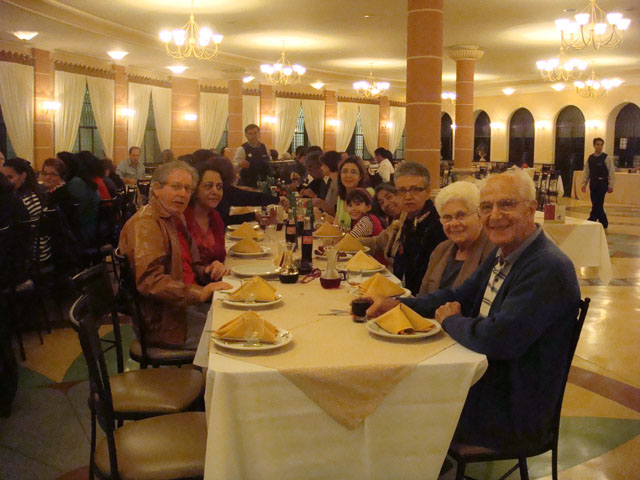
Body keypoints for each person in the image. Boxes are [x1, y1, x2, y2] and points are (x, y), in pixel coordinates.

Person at [367, 168, 581, 450]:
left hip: (512, 409)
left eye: (507, 204)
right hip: (488, 382)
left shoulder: (546, 267)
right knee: (391, 385)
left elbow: (498, 338)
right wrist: (399, 305)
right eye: (486, 207)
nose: (494, 215)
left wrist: (451, 321)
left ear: (531, 209)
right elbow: (458, 295)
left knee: (396, 401)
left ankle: (418, 464)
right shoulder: (504, 252)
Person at [118, 160, 231, 349]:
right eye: (176, 187)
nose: (183, 194)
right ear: (156, 189)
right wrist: (200, 292)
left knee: (240, 314)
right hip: (167, 323)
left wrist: (207, 271)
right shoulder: (146, 224)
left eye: (187, 189)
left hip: (183, 308)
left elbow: (191, 266)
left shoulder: (174, 217)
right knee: (233, 337)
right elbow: (151, 281)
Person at [359, 162, 446, 295]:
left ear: (427, 192)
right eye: (402, 190)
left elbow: (430, 281)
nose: (408, 196)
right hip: (399, 291)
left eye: (415, 189)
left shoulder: (437, 226)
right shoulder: (406, 218)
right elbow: (379, 242)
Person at [419, 181, 494, 294]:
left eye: (461, 215)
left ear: (479, 215)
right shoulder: (441, 250)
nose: (454, 223)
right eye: (447, 217)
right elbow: (423, 293)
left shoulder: (492, 251)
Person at [1, 158, 52, 265]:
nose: (6, 182)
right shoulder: (36, 192)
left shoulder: (21, 201)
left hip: (29, 257)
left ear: (23, 176)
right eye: (3, 178)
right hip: (40, 250)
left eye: (10, 177)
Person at [184, 160, 227, 277]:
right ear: (195, 189)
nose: (215, 191)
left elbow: (220, 258)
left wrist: (217, 267)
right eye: (208, 186)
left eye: (219, 187)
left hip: (213, 279)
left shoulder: (216, 217)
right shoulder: (182, 219)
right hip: (190, 284)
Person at [581, 137, 615, 229]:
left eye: (601, 145)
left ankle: (596, 220)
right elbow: (587, 172)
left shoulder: (606, 158)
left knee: (599, 203)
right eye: (597, 144)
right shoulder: (590, 158)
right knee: (595, 202)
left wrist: (611, 185)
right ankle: (599, 220)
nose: (599, 146)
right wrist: (584, 184)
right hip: (593, 183)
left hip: (602, 184)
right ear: (594, 145)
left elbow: (611, 172)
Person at [234, 124, 273, 188]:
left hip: (263, 184)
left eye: (255, 133)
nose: (253, 136)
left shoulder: (265, 147)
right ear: (246, 135)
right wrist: (239, 164)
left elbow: (269, 162)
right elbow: (234, 167)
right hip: (247, 185)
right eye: (250, 134)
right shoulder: (242, 149)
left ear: (259, 133)